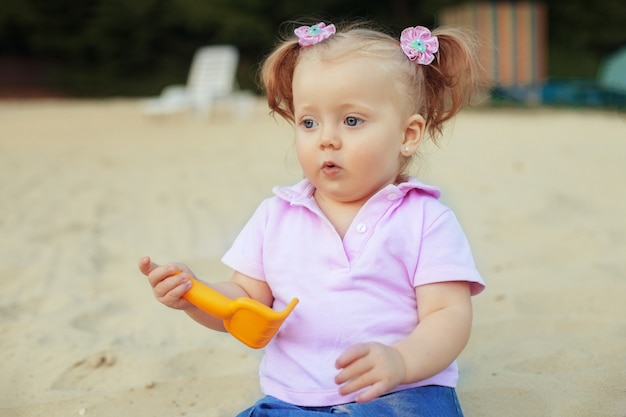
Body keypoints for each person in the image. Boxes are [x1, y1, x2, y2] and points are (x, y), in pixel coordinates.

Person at [139, 20, 486, 417]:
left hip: (403, 394)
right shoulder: (276, 216)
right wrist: (195, 295)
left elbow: (448, 315)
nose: (326, 138)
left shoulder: (425, 219)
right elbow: (248, 303)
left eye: (351, 120)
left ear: (408, 134)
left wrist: (402, 361)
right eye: (309, 122)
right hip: (294, 400)